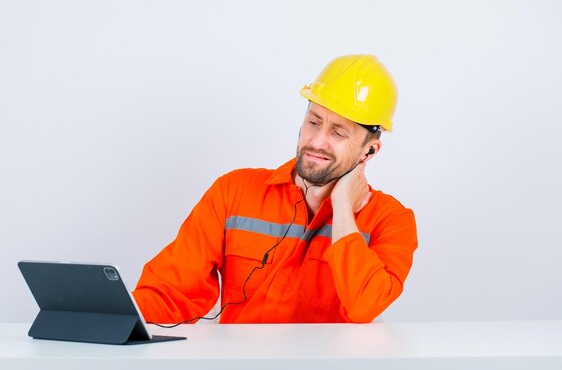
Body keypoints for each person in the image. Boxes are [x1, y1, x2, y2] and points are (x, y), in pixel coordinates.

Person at [133, 55, 418, 324]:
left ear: (369, 151)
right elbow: (172, 292)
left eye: (338, 132)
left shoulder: (391, 221)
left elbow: (365, 305)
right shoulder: (234, 192)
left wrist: (343, 208)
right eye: (314, 122)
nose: (316, 141)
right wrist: (113, 312)